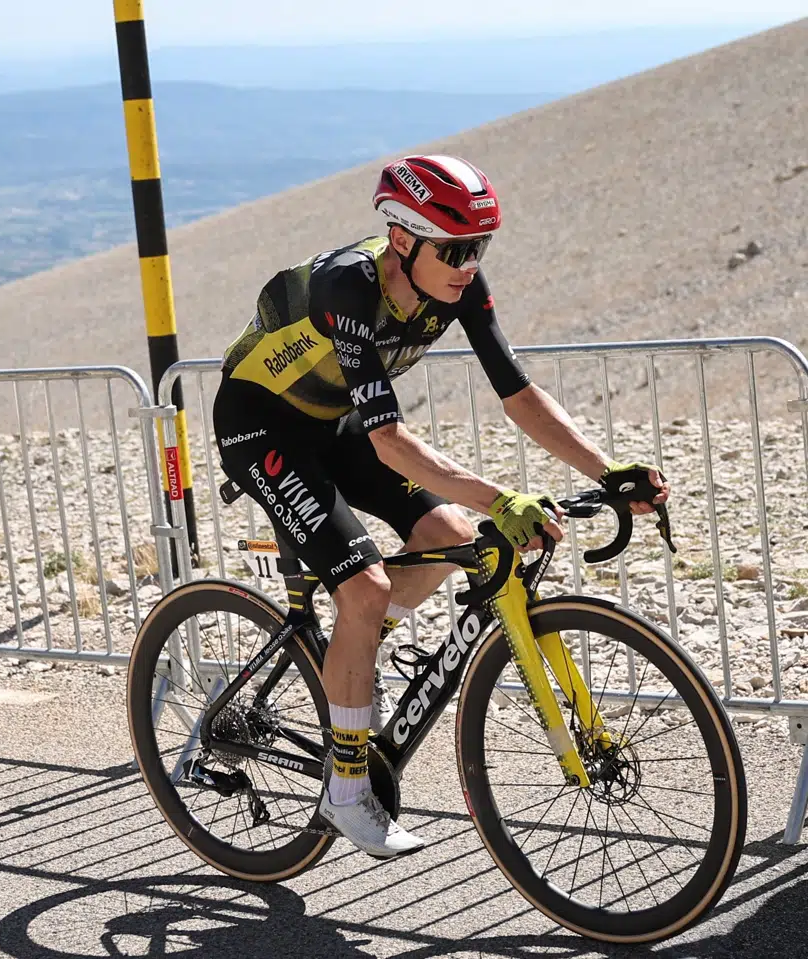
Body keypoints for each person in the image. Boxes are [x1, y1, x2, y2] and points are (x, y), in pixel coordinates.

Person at [213, 155, 670, 857]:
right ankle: (346, 790)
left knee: (451, 532)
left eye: (479, 247)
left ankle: (352, 642)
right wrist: (501, 497)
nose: (468, 264)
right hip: (262, 427)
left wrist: (609, 470)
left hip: (332, 421)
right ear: (402, 240)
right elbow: (390, 439)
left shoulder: (456, 283)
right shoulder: (347, 288)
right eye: (454, 249)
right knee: (366, 587)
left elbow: (517, 393)